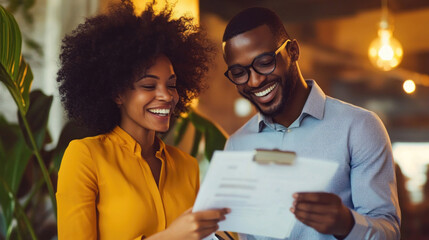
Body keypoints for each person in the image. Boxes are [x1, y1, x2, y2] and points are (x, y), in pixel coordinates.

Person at [221, 7, 400, 240]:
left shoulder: (359, 127)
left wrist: (346, 223)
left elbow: (390, 232)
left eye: (265, 62)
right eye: (239, 72)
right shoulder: (236, 146)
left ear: (293, 51)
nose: (255, 80)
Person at [55, 1, 229, 239]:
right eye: (149, 85)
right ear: (117, 93)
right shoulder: (85, 157)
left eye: (171, 85)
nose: (166, 96)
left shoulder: (187, 166)